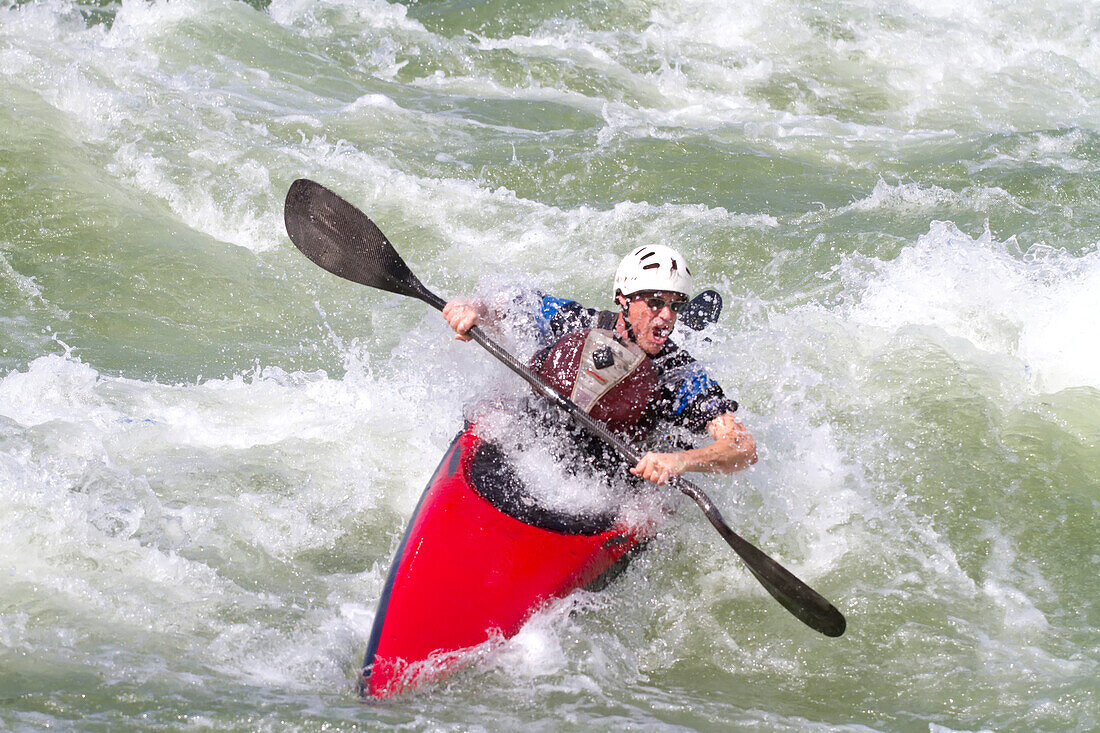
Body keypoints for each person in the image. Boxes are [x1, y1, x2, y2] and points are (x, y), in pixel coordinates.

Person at [442, 244, 757, 486]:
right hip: (540, 435)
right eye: (656, 303)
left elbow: (741, 446)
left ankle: (695, 332)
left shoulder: (676, 373)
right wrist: (473, 310)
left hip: (612, 471)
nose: (666, 318)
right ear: (623, 298)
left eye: (676, 306)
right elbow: (507, 300)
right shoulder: (576, 323)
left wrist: (679, 461)